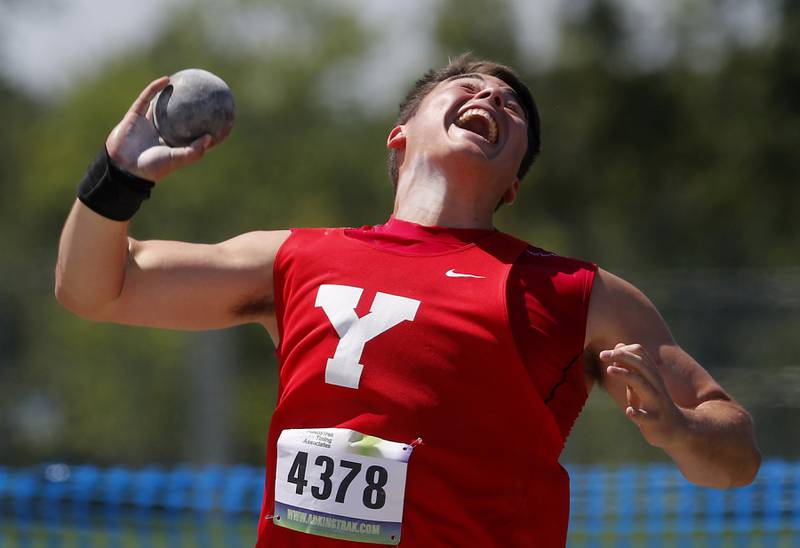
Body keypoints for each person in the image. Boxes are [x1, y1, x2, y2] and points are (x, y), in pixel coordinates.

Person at [55, 55, 760, 547]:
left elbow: (737, 452)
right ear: (400, 135)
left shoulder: (578, 294)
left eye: (513, 109)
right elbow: (97, 287)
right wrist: (117, 174)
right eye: (469, 86)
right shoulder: (296, 257)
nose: (493, 100)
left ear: (513, 183)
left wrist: (679, 431)